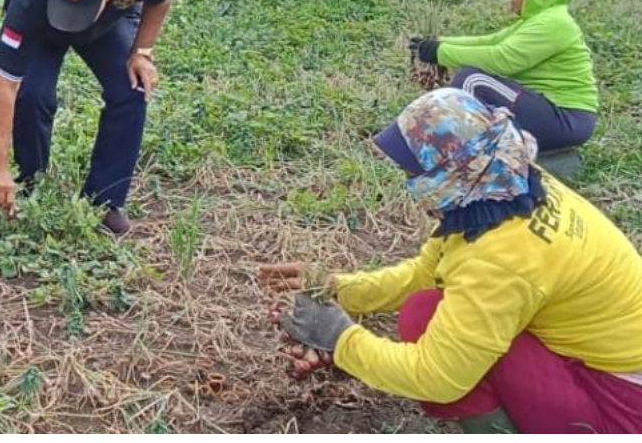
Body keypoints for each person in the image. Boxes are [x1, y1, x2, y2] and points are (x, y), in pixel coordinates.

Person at [263, 88, 642, 434]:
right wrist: (339, 290)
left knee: (427, 324)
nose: (408, 181)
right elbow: (429, 273)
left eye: (414, 170)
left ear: (451, 173)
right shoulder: (503, 180)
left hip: (621, 409)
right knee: (426, 309)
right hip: (608, 366)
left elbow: (438, 378)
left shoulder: (500, 256)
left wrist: (342, 339)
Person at [0, 0, 175, 236]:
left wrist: (142, 53)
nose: (70, 22)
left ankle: (104, 202)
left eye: (79, 12)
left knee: (132, 87)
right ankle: (30, 186)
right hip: (42, 22)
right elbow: (6, 84)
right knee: (32, 95)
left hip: (105, 24)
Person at [411, 0, 598, 152]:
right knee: (472, 79)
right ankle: (461, 149)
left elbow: (503, 59)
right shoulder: (538, 21)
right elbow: (489, 41)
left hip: (566, 118)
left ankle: (463, 154)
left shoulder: (554, 23)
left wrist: (440, 53)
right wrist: (439, 43)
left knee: (472, 81)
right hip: (554, 113)